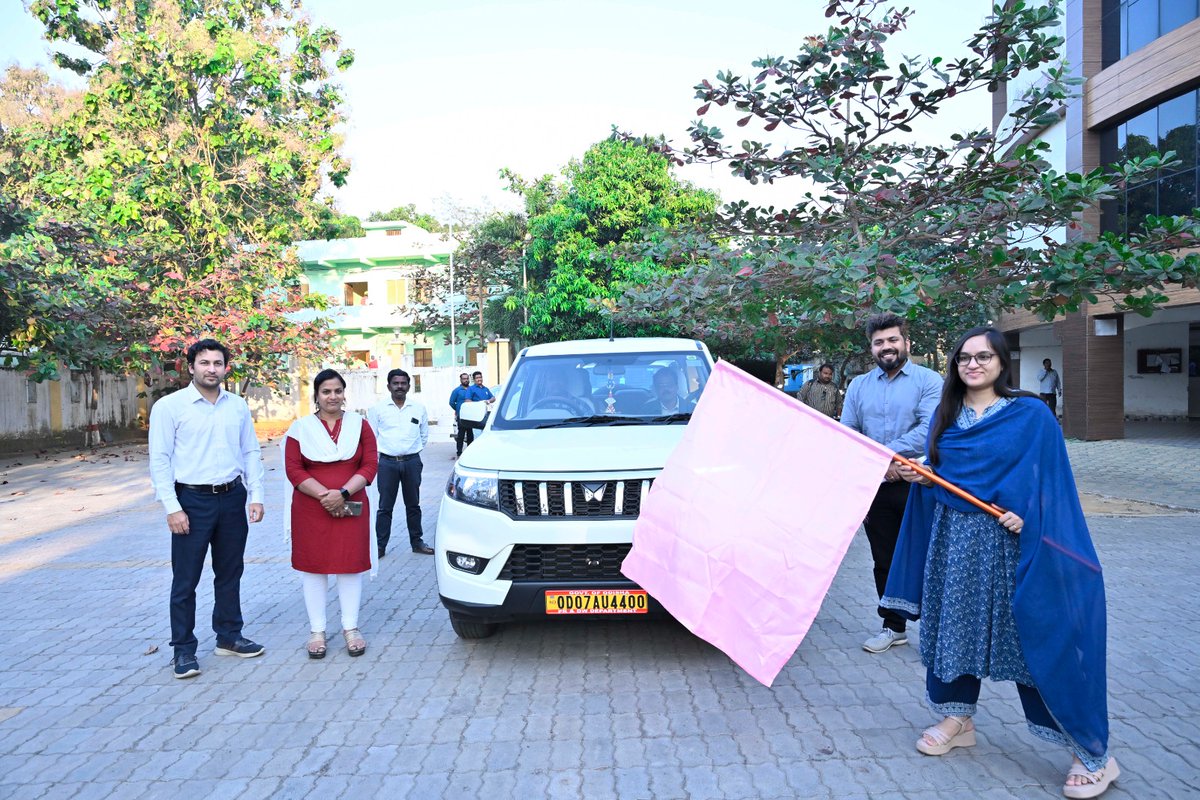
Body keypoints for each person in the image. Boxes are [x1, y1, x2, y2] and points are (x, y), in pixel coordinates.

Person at [884, 326, 1117, 799]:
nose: (973, 364)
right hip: (956, 547)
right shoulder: (945, 416)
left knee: (1034, 641)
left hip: (1015, 547)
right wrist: (922, 476)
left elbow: (1053, 482)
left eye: (984, 357)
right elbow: (942, 474)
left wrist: (1029, 517)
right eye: (965, 357)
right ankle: (957, 719)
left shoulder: (1030, 414)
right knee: (956, 630)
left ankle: (1091, 753)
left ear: (1001, 363)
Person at [148, 339, 266, 679]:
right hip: (191, 501)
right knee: (185, 580)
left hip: (232, 498)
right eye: (204, 363)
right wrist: (172, 507)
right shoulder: (170, 407)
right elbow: (160, 460)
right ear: (191, 367)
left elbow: (250, 452)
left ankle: (229, 636)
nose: (211, 368)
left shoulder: (237, 406)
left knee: (230, 573)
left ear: (225, 367)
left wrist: (255, 495)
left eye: (217, 363)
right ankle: (183, 650)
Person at [840, 313, 943, 654]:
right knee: (884, 558)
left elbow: (929, 429)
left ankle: (937, 631)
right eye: (879, 342)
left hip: (918, 482)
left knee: (927, 556)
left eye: (893, 340)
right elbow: (848, 433)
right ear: (871, 348)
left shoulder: (929, 381)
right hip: (877, 484)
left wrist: (882, 456)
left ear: (906, 343)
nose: (886, 347)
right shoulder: (858, 386)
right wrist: (880, 465)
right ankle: (893, 626)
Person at [283, 369, 379, 659]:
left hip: (351, 503)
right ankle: (317, 631)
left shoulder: (360, 425)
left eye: (337, 391)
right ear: (316, 395)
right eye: (326, 391)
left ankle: (351, 628)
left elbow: (370, 464)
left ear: (344, 394)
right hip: (312, 508)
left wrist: (343, 494)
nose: (332, 396)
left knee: (349, 564)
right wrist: (326, 496)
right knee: (314, 567)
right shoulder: (299, 428)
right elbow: (294, 469)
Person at [368, 368, 431, 557]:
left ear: (409, 386)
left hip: (412, 462)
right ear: (388, 386)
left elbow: (424, 435)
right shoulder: (377, 409)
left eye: (403, 383)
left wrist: (411, 451)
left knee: (413, 505)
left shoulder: (418, 408)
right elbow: (371, 437)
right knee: (385, 507)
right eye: (396, 383)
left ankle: (417, 542)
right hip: (387, 464)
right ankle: (380, 546)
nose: (400, 386)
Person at [449, 372, 473, 458]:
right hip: (462, 416)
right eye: (464, 379)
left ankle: (470, 452)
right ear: (461, 380)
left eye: (467, 378)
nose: (466, 380)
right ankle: (459, 452)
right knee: (461, 435)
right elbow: (451, 402)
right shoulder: (457, 391)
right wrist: (458, 409)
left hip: (471, 416)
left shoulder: (471, 389)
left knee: (470, 434)